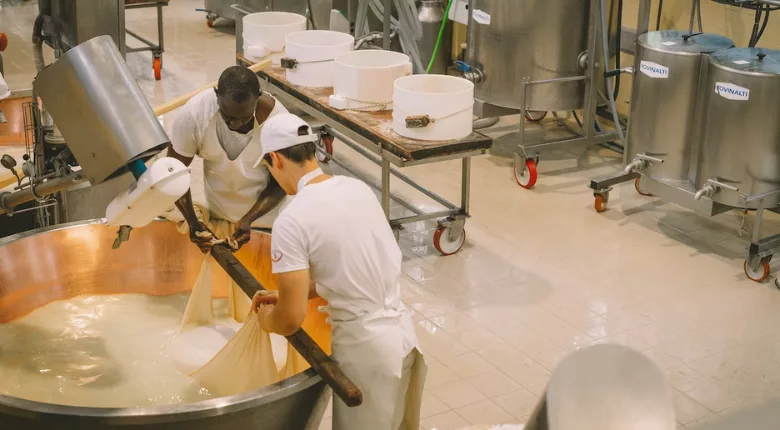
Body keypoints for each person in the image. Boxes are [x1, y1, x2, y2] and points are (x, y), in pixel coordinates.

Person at [250, 113, 426, 430]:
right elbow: (354, 267)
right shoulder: (355, 188)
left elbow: (290, 320)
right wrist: (296, 292)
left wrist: (266, 321)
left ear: (275, 158)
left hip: (367, 353)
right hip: (404, 340)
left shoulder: (291, 220)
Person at [167, 66, 289, 252]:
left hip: (269, 219)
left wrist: (249, 219)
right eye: (228, 116)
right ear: (217, 95)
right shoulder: (194, 116)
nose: (235, 124)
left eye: (244, 118)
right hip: (220, 214)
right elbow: (173, 172)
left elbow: (282, 182)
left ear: (258, 96)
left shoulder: (278, 123)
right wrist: (192, 221)